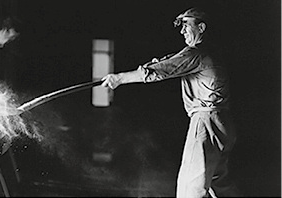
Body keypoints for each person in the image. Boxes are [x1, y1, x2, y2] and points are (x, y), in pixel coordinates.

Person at [101, 7, 239, 197]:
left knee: (189, 188)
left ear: (201, 27)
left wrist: (119, 78)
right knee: (220, 185)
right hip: (223, 124)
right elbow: (171, 62)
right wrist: (157, 63)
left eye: (186, 25)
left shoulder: (196, 53)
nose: (182, 31)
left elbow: (161, 70)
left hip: (206, 122)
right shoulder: (211, 52)